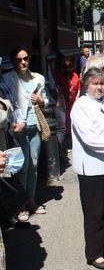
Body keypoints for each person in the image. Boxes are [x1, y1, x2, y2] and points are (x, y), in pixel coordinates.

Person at [71, 67, 104, 270]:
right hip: (92, 167)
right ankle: (94, 253)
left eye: (102, 83)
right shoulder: (81, 106)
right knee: (95, 211)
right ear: (86, 85)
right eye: (95, 83)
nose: (99, 87)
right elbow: (90, 139)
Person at [3, 47, 49, 222]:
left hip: (34, 126)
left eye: (26, 58)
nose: (23, 62)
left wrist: (41, 101)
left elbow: (46, 101)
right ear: (13, 61)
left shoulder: (38, 78)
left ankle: (31, 201)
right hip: (18, 129)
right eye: (18, 59)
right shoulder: (7, 79)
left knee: (35, 165)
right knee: (22, 167)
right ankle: (20, 206)